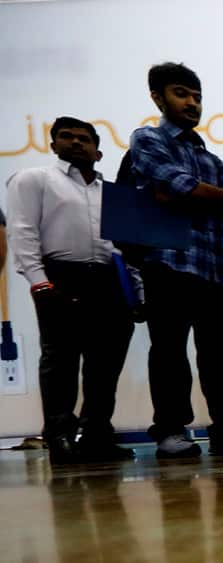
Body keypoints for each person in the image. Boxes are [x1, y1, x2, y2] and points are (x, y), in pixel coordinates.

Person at [128, 62, 223, 458]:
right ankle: (171, 431)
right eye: (181, 94)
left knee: (216, 359)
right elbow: (174, 183)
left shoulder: (211, 158)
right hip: (167, 263)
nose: (192, 103)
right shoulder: (147, 139)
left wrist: (193, 195)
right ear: (157, 97)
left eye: (197, 97)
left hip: (214, 270)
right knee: (169, 354)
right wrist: (210, 196)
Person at [6, 117, 137, 463]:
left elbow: (126, 246)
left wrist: (135, 291)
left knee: (105, 365)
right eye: (67, 137)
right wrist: (40, 283)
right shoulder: (35, 180)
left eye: (84, 139)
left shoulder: (113, 193)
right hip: (60, 275)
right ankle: (60, 436)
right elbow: (22, 232)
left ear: (99, 151)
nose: (76, 143)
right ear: (53, 145)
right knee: (60, 360)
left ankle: (96, 435)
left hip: (109, 279)